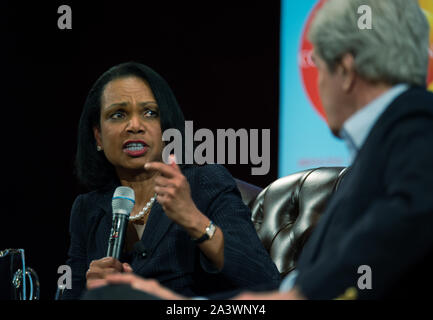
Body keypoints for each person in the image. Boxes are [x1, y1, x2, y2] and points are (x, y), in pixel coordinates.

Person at [87, 0, 433, 300]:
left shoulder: (416, 122)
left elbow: (407, 219)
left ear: (343, 71)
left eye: (319, 68)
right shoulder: (384, 145)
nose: (319, 84)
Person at [61, 62, 281, 299]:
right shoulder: (87, 209)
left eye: (150, 113)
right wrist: (88, 286)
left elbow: (266, 281)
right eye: (118, 115)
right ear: (98, 137)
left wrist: (193, 219)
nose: (135, 126)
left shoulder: (205, 183)